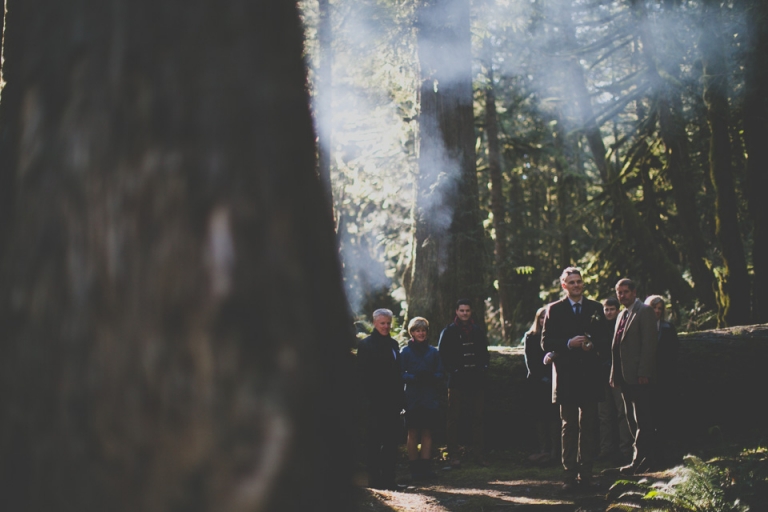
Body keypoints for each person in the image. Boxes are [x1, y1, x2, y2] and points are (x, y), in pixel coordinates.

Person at [541, 267, 610, 491]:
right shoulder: (554, 309)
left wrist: (592, 345)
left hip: (590, 376)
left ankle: (587, 473)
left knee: (588, 425)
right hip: (567, 376)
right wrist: (568, 344)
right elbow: (545, 342)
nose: (577, 285)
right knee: (569, 426)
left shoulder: (595, 308)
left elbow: (604, 338)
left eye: (579, 281)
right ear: (564, 286)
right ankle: (569, 475)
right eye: (572, 282)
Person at [610, 279, 658, 475]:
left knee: (642, 419)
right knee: (630, 418)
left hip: (639, 377)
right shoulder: (621, 314)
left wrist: (644, 372)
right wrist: (614, 374)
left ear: (634, 292)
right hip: (623, 377)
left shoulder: (644, 311)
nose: (622, 296)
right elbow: (616, 347)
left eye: (626, 292)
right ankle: (642, 458)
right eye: (619, 292)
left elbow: (649, 344)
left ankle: (641, 461)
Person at [357, 308, 406, 490]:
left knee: (391, 443)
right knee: (374, 443)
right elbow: (361, 376)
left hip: (392, 404)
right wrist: (365, 402)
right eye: (382, 323)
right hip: (373, 404)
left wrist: (401, 400)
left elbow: (397, 374)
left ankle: (389, 480)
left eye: (388, 323)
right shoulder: (366, 345)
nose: (385, 326)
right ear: (375, 323)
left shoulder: (393, 344)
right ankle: (375, 481)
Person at [438, 299, 490, 467]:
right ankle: (453, 454)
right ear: (456, 312)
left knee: (478, 417)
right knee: (453, 418)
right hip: (457, 381)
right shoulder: (449, 331)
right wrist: (454, 370)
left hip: (477, 381)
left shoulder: (477, 330)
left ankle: (479, 454)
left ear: (471, 311)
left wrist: (483, 368)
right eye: (462, 310)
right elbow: (443, 355)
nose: (465, 313)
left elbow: (484, 352)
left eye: (467, 310)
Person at [400, 317, 445, 481]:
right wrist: (413, 377)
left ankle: (426, 469)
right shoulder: (405, 351)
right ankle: (414, 470)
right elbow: (400, 373)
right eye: (418, 330)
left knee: (427, 432)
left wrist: (431, 377)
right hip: (412, 398)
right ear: (412, 332)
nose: (421, 333)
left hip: (429, 398)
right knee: (412, 432)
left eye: (423, 330)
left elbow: (441, 373)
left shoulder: (434, 352)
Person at [597, 297, 634, 464]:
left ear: (617, 310)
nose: (609, 312)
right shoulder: (598, 327)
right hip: (601, 375)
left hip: (618, 375)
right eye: (606, 310)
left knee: (622, 412)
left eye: (612, 309)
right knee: (604, 414)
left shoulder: (622, 326)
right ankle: (606, 449)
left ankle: (625, 448)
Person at [644, 295, 680, 468]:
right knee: (649, 420)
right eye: (654, 308)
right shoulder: (640, 327)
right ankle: (652, 458)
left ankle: (667, 457)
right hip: (645, 380)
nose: (657, 311)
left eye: (660, 308)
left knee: (666, 418)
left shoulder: (668, 328)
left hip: (666, 380)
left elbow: (675, 354)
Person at [523, 307, 560, 465]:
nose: (544, 321)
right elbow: (530, 361)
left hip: (554, 381)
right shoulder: (530, 337)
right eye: (541, 318)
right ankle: (543, 449)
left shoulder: (556, 337)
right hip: (537, 383)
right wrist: (541, 377)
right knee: (539, 416)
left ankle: (555, 451)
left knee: (553, 416)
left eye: (547, 318)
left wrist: (552, 378)